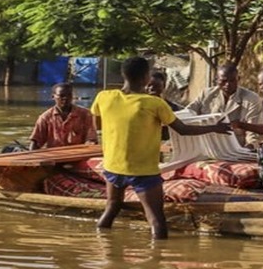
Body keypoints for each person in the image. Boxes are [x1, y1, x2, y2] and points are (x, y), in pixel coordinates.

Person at [90, 56, 231, 239]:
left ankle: (102, 247)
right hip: (143, 171)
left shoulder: (104, 97)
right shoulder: (154, 104)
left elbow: (98, 125)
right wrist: (215, 127)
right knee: (156, 218)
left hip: (112, 167)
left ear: (123, 75)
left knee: (112, 207)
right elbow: (183, 130)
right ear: (145, 78)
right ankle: (158, 258)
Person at [186, 63, 263, 148]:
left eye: (232, 80)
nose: (227, 84)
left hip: (237, 148)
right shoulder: (206, 95)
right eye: (223, 81)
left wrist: (250, 146)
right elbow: (188, 113)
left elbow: (253, 130)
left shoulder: (251, 99)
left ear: (238, 79)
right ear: (216, 80)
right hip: (207, 147)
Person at [28, 82, 97, 150]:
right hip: (54, 157)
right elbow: (36, 141)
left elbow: (91, 139)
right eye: (62, 96)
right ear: (53, 97)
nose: (65, 98)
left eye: (69, 95)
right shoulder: (45, 118)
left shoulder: (85, 114)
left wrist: (89, 147)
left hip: (79, 156)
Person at [146, 71, 183, 141]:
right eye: (149, 85)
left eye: (156, 86)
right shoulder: (140, 106)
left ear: (163, 87)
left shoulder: (173, 108)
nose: (151, 88)